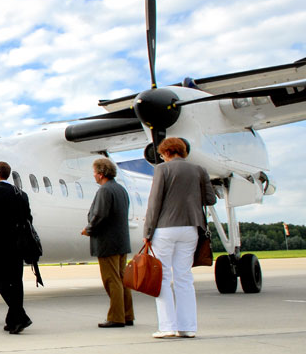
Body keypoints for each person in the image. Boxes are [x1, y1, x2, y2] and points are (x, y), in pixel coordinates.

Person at [144, 137, 216, 339]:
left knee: (164, 277)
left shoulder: (162, 170)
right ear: (183, 151)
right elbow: (210, 199)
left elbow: (154, 202)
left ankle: (167, 327)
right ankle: (188, 327)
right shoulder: (199, 170)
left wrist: (147, 232)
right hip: (191, 228)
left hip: (165, 228)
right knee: (184, 277)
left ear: (165, 153)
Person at [81, 158, 134, 328]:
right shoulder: (121, 190)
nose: (94, 176)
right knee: (121, 279)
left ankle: (116, 317)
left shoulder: (105, 191)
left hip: (107, 242)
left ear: (101, 174)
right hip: (121, 241)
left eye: (95, 172)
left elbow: (100, 215)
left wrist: (88, 229)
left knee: (111, 280)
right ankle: (127, 314)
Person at [0, 161, 33, 334]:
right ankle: (13, 321)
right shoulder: (21, 194)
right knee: (16, 282)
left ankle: (20, 316)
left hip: (0, 245)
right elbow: (29, 220)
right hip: (19, 245)